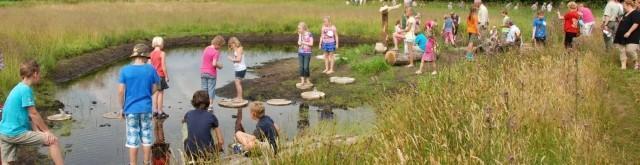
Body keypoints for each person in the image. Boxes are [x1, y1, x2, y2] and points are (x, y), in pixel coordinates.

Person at [0, 60, 64, 165]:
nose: (40, 76)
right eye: (39, 73)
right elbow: (33, 114)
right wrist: (47, 131)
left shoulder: (18, 87)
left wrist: (36, 130)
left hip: (3, 132)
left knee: (8, 162)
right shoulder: (25, 90)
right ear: (35, 74)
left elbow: (28, 114)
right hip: (15, 132)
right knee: (53, 141)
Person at [118, 44, 160, 165]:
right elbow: (157, 86)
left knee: (132, 139)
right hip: (146, 108)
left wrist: (121, 108)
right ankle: (146, 162)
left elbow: (121, 91)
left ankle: (133, 164)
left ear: (135, 56)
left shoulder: (125, 70)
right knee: (147, 137)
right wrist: (147, 93)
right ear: (145, 56)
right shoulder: (151, 69)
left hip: (130, 109)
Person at [183, 90, 224, 159]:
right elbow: (221, 141)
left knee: (185, 126)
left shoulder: (188, 114)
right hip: (207, 153)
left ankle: (188, 154)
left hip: (190, 153)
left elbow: (184, 124)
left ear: (193, 102)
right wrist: (217, 151)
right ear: (208, 103)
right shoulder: (211, 116)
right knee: (213, 127)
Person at [614, 0, 640, 70]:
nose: (623, 7)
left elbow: (636, 24)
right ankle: (623, 65)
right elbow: (622, 23)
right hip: (621, 36)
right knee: (622, 50)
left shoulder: (636, 13)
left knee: (630, 50)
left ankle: (636, 63)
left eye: (624, 6)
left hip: (632, 35)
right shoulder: (625, 14)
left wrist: (629, 32)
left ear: (628, 5)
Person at [201, 36, 225, 111]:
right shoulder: (215, 52)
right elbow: (214, 63)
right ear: (218, 44)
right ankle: (210, 105)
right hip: (211, 73)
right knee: (211, 89)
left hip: (203, 72)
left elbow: (205, 59)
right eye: (220, 46)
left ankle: (203, 103)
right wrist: (220, 66)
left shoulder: (206, 48)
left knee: (204, 88)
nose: (220, 47)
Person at [149, 36, 169, 119]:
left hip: (153, 76)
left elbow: (149, 66)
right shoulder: (162, 53)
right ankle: (160, 112)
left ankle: (155, 111)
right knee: (161, 94)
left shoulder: (151, 54)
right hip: (160, 75)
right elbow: (163, 66)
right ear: (161, 44)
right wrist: (167, 76)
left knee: (155, 94)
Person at [227, 37, 246, 103]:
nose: (230, 46)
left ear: (234, 43)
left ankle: (240, 98)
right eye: (229, 45)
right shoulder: (236, 50)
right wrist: (233, 59)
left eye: (231, 44)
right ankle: (238, 97)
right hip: (238, 69)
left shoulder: (239, 49)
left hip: (241, 69)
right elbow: (236, 60)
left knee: (238, 83)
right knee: (237, 83)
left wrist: (231, 59)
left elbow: (238, 60)